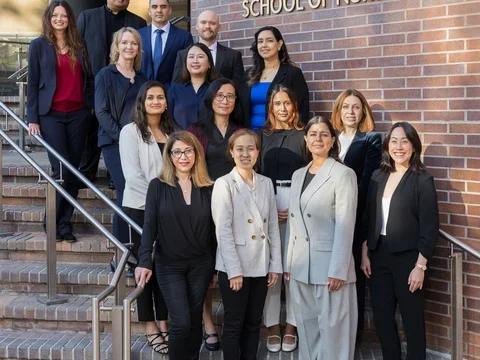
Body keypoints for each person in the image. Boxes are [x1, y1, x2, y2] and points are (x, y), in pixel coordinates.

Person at [361, 122, 439, 360]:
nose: (399, 146)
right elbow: (369, 217)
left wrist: (420, 266)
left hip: (409, 260)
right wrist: (365, 251)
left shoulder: (422, 180)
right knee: (383, 319)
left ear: (414, 146)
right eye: (394, 141)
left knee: (412, 321)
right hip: (378, 256)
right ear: (387, 146)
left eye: (405, 141)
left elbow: (430, 227)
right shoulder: (378, 175)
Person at [135, 131, 216, 360]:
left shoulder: (208, 187)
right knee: (180, 322)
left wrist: (215, 267)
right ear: (169, 156)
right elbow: (149, 226)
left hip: (201, 263)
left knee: (193, 318)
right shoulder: (157, 186)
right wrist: (143, 261)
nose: (183, 156)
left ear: (196, 154)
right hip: (169, 263)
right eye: (177, 151)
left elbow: (214, 232)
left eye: (188, 151)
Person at [284, 117, 358, 360]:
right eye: (313, 134)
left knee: (333, 334)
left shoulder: (343, 174)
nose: (318, 139)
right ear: (305, 140)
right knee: (307, 330)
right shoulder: (297, 175)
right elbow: (294, 223)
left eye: (324, 134)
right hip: (300, 268)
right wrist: (289, 264)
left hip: (329, 270)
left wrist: (338, 269)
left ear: (332, 141)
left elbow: (346, 225)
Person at [212, 129, 283, 360]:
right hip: (235, 267)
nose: (245, 153)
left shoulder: (265, 182)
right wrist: (234, 271)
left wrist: (275, 265)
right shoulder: (224, 184)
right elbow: (223, 231)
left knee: (253, 322)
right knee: (234, 323)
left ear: (257, 152)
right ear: (231, 152)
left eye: (250, 148)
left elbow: (273, 226)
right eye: (240, 149)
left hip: (261, 265)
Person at [27, 0, 94, 243]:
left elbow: (89, 77)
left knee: (74, 173)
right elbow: (33, 83)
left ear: (69, 19)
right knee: (61, 171)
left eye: (63, 15)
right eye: (55, 15)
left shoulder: (79, 44)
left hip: (78, 114)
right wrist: (32, 118)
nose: (59, 19)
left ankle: (65, 223)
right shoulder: (38, 46)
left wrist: (89, 107)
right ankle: (52, 221)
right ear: (49, 18)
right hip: (51, 115)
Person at [119, 81, 177, 354]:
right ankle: (149, 325)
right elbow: (133, 176)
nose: (156, 101)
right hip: (141, 208)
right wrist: (162, 203)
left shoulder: (171, 131)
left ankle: (164, 320)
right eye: (150, 97)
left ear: (166, 102)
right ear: (142, 102)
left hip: (170, 210)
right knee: (144, 268)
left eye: (160, 97)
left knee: (163, 266)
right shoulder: (130, 132)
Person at [186, 77, 241, 351]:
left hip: (235, 207)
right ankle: (208, 323)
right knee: (205, 269)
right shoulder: (197, 131)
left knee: (233, 263)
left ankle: (233, 323)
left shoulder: (240, 131)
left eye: (230, 96)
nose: (225, 100)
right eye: (220, 95)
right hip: (204, 206)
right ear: (211, 98)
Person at [258, 85, 306, 353]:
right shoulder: (262, 136)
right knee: (272, 270)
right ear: (271, 107)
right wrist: (268, 209)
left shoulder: (304, 135)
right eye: (277, 103)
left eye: (287, 103)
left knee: (294, 271)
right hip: (269, 204)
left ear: (294, 106)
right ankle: (272, 325)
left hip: (298, 206)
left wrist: (297, 208)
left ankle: (292, 326)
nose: (283, 108)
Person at [330, 89, 382, 343]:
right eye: (346, 107)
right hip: (327, 219)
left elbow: (366, 180)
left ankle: (355, 333)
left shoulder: (371, 139)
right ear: (338, 111)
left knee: (354, 276)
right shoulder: (331, 138)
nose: (350, 112)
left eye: (356, 107)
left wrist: (347, 209)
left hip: (355, 216)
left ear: (363, 112)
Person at [78, 0, 146, 183]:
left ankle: (113, 176)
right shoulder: (87, 17)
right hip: (95, 85)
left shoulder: (138, 22)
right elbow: (79, 54)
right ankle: (86, 176)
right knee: (93, 133)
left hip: (125, 85)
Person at [95, 27, 147, 261]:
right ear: (117, 46)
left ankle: (136, 250)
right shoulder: (106, 75)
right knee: (126, 193)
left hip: (139, 143)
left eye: (133, 43)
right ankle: (122, 253)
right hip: (114, 142)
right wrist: (122, 137)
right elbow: (101, 111)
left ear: (138, 48)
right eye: (124, 43)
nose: (129, 47)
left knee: (139, 194)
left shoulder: (142, 78)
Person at [241, 26, 309, 130]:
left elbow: (302, 109)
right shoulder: (248, 74)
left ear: (279, 44)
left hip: (279, 135)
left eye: (269, 41)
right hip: (250, 136)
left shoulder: (293, 73)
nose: (264, 45)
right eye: (260, 41)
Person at [172, 10, 244, 87]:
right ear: (197, 26)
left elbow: (238, 88)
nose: (207, 26)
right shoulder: (183, 55)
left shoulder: (233, 56)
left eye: (212, 23)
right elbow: (176, 86)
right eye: (203, 22)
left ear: (219, 27)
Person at [138, 0, 193, 88]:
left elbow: (188, 68)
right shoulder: (138, 35)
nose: (159, 10)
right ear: (149, 11)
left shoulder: (184, 37)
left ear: (170, 10)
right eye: (154, 7)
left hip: (172, 93)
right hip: (143, 92)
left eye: (163, 7)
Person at [168, 43, 221, 130]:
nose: (195, 61)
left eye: (200, 57)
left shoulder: (217, 90)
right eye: (191, 57)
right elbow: (168, 119)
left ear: (209, 64)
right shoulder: (174, 90)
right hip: (181, 141)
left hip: (210, 142)